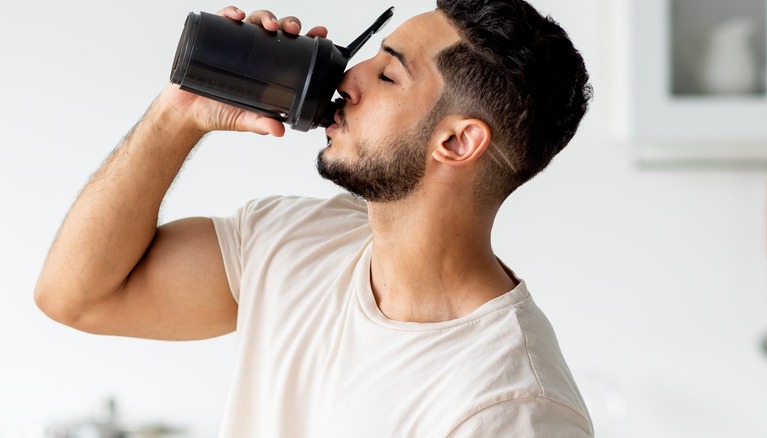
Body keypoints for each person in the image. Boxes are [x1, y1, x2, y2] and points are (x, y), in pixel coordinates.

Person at [35, 0, 594, 435]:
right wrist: (179, 113)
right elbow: (76, 295)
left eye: (388, 76)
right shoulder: (294, 242)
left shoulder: (513, 407)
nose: (348, 79)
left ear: (456, 141)